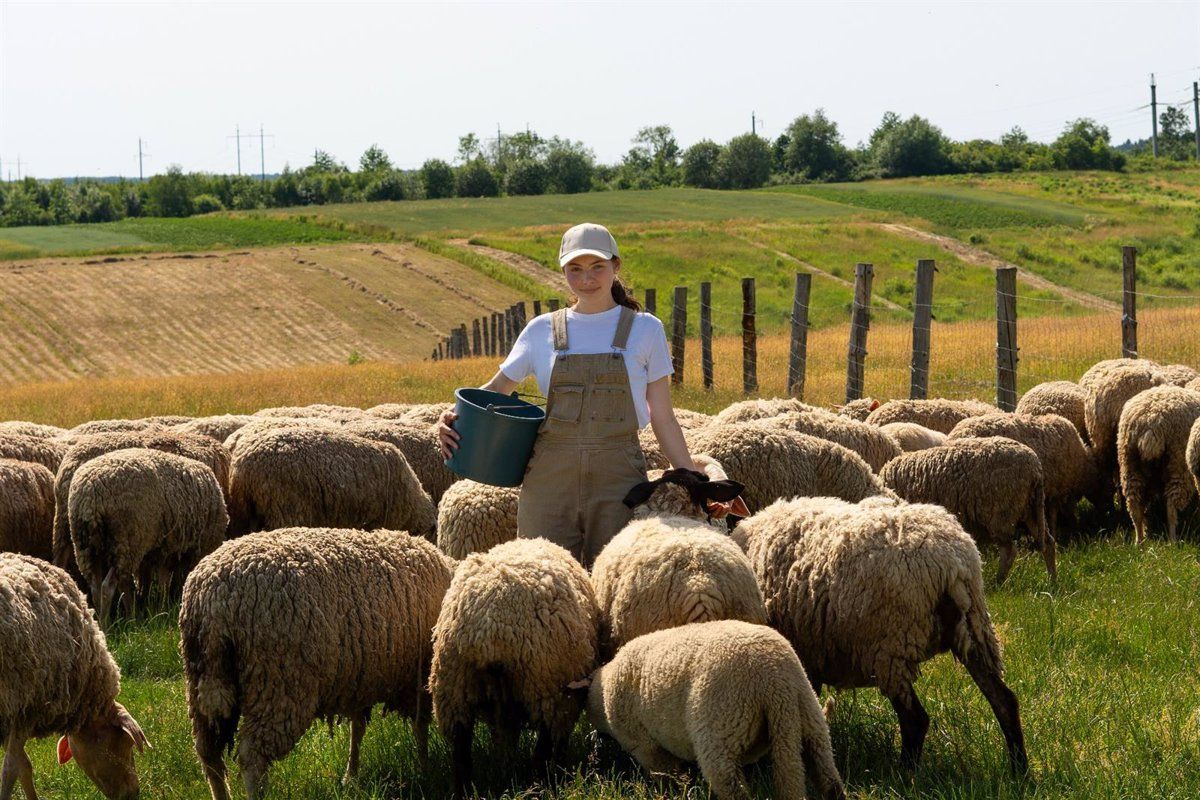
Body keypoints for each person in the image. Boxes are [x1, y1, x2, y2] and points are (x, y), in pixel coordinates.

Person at [438, 222, 700, 567]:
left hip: (618, 482)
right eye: (575, 269)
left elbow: (662, 416)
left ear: (615, 266)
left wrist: (691, 477)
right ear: (563, 271)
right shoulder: (541, 330)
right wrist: (450, 421)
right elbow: (495, 392)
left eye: (597, 267)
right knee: (543, 581)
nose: (586, 279)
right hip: (549, 483)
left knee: (617, 582)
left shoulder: (645, 329)